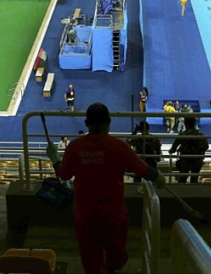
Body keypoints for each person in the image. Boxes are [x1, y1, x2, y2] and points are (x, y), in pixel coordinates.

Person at [46, 103, 165, 274]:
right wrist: (158, 177)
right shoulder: (119, 146)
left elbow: (63, 174)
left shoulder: (75, 147)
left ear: (86, 123)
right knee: (116, 256)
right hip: (114, 215)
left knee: (90, 260)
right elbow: (143, 169)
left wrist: (55, 158)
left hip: (85, 215)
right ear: (109, 122)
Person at [169, 116, 208, 184]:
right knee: (194, 179)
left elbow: (173, 148)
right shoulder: (200, 135)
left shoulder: (182, 135)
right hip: (197, 159)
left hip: (185, 159)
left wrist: (172, 151)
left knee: (182, 179)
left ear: (185, 124)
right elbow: (206, 146)